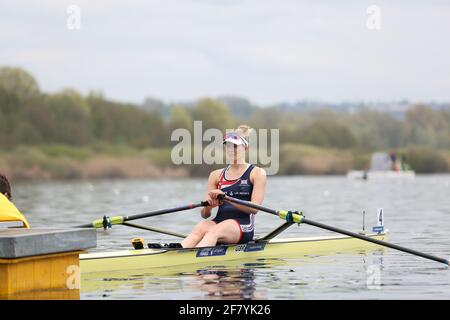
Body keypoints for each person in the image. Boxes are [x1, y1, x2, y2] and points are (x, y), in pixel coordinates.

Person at [181, 125, 266, 248]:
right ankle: (174, 254)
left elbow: (254, 209)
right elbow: (205, 214)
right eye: (229, 146)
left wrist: (226, 198)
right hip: (219, 221)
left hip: (243, 225)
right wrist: (209, 207)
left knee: (214, 231)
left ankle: (194, 260)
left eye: (236, 146)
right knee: (200, 228)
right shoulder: (215, 175)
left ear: (246, 148)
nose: (232, 150)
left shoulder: (257, 173)